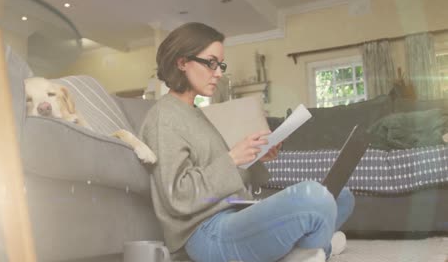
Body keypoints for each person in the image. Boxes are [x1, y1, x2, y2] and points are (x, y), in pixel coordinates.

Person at [139, 22, 355, 262]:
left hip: (232, 213)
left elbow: (224, 180)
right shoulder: (164, 117)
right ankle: (315, 248)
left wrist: (253, 157)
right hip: (206, 233)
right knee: (314, 197)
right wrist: (232, 159)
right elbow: (177, 197)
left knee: (341, 195)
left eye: (220, 65)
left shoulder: (195, 113)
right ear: (182, 63)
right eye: (211, 63)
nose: (219, 73)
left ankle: (304, 251)